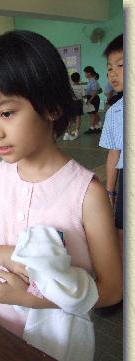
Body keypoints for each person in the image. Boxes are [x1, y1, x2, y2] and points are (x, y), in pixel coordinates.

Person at [0, 30, 122, 361]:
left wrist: (30, 298)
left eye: (6, 113)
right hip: (2, 323)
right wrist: (9, 257)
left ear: (52, 106)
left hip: (60, 345)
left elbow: (111, 290)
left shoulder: (85, 193)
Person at [99, 34, 123, 259]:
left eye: (121, 65)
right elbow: (114, 153)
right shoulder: (115, 112)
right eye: (109, 68)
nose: (112, 74)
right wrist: (110, 191)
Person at [63, 72, 85, 141]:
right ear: (79, 79)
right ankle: (76, 132)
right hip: (78, 103)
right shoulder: (81, 87)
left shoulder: (70, 87)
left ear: (72, 79)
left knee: (69, 118)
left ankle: (66, 134)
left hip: (71, 103)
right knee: (78, 117)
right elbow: (84, 96)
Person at [83, 67, 102, 134]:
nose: (85, 74)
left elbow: (94, 92)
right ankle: (97, 126)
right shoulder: (90, 80)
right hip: (91, 98)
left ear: (89, 73)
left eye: (85, 73)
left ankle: (92, 128)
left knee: (92, 114)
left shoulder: (93, 81)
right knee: (93, 114)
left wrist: (89, 100)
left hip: (93, 99)